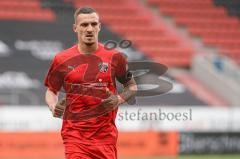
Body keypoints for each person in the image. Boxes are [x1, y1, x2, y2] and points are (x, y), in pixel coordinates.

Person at [44, 7, 137, 159]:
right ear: (75, 28)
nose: (89, 29)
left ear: (99, 27)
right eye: (84, 25)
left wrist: (118, 100)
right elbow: (51, 91)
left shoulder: (115, 57)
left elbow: (132, 86)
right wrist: (53, 106)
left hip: (106, 138)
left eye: (93, 24)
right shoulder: (61, 59)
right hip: (74, 137)